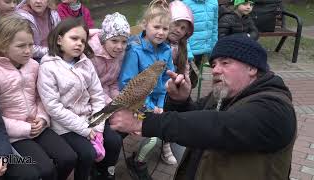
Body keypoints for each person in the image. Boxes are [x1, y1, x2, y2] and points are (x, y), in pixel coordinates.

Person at [110, 34, 297, 180]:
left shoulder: (276, 110)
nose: (215, 69)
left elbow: (218, 126)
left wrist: (142, 123)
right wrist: (180, 101)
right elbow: (195, 120)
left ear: (252, 68)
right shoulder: (225, 96)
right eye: (214, 64)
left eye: (225, 62)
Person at [0, 14, 76, 180]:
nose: (28, 50)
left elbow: (41, 97)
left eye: (31, 45)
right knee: (44, 169)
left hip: (38, 126)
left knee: (68, 158)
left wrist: (42, 118)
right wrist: (24, 128)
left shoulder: (34, 66)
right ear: (3, 45)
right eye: (21, 46)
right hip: (14, 135)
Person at [37, 17, 118, 180]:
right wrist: (85, 129)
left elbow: (97, 94)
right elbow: (53, 107)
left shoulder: (85, 63)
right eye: (74, 38)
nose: (79, 43)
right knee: (86, 153)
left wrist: (98, 126)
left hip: (90, 119)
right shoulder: (48, 68)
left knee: (114, 141)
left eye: (83, 40)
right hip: (64, 125)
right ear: (59, 40)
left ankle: (102, 173)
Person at [118, 0, 174, 179]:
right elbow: (127, 84)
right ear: (144, 24)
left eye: (165, 29)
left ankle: (138, 159)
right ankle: (138, 163)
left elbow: (166, 80)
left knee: (168, 122)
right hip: (136, 104)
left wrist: (159, 104)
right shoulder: (135, 51)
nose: (160, 32)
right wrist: (150, 106)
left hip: (157, 102)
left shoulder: (166, 51)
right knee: (154, 135)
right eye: (156, 26)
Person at [87, 12, 130, 180]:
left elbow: (112, 82)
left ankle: (107, 169)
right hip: (90, 103)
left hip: (106, 101)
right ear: (104, 39)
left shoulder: (119, 55)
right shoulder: (91, 55)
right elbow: (92, 87)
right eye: (114, 41)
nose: (119, 46)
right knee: (113, 139)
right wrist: (112, 105)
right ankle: (100, 170)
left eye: (124, 42)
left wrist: (118, 101)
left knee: (124, 126)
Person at [160, 0, 194, 165]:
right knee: (167, 109)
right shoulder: (157, 41)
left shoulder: (181, 46)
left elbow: (184, 68)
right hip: (157, 89)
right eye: (176, 24)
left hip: (172, 86)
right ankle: (165, 143)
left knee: (184, 105)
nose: (179, 31)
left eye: (183, 29)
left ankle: (170, 139)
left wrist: (184, 82)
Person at [182, 0, 218, 69]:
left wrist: (214, 50)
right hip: (191, 54)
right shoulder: (185, 3)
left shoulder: (213, 2)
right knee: (191, 78)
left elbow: (214, 28)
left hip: (208, 53)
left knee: (204, 78)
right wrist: (188, 53)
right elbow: (183, 32)